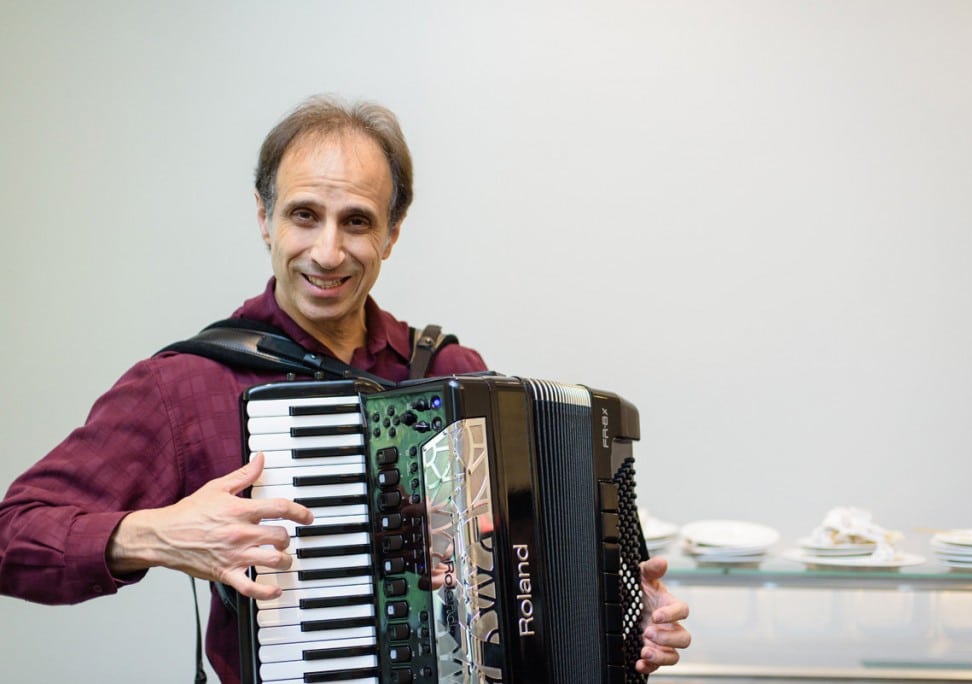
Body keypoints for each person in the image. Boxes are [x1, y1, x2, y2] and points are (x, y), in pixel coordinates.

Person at [0, 95, 691, 681]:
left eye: (356, 221)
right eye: (305, 215)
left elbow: (529, 580)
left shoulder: (453, 376)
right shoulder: (187, 385)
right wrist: (152, 534)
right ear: (264, 217)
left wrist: (623, 618)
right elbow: (13, 535)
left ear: (391, 233)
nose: (328, 252)